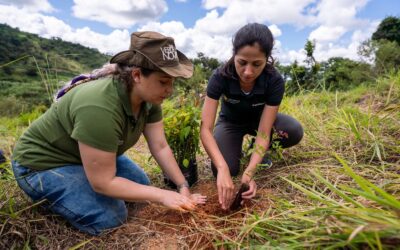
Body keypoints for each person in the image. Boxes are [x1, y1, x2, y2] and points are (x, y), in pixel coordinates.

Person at [12, 31, 206, 235]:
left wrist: (182, 186)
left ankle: (81, 180)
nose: (170, 90)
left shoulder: (150, 98)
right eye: (164, 82)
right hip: (42, 165)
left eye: (172, 82)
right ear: (137, 75)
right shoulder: (99, 106)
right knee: (111, 218)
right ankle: (53, 196)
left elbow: (160, 146)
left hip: (81, 155)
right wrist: (162, 195)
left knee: (141, 185)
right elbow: (103, 183)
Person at [200, 23, 303, 210]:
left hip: (260, 122)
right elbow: (205, 129)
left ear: (267, 59)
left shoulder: (274, 81)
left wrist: (249, 173)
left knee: (293, 131)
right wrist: (222, 169)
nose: (248, 72)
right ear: (234, 55)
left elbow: (264, 132)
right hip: (230, 123)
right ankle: (236, 150)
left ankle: (257, 154)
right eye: (242, 62)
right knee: (225, 168)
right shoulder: (220, 77)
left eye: (257, 64)